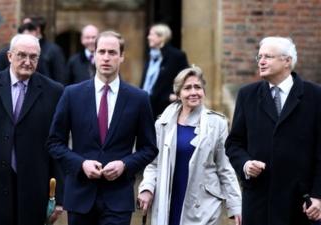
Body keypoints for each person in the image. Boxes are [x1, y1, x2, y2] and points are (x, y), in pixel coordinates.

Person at [47, 31, 158, 225]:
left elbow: (149, 148)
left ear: (121, 56)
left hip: (118, 198)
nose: (106, 57)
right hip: (80, 196)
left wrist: (125, 165)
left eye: (113, 52)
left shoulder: (138, 98)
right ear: (94, 54)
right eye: (102, 52)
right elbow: (55, 143)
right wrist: (81, 164)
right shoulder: (72, 94)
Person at [0, 34, 64, 225]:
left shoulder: (54, 91)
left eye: (33, 57)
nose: (27, 61)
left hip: (34, 190)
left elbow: (58, 145)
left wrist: (56, 197)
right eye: (21, 55)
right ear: (9, 56)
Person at [225, 36, 321, 225]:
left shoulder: (315, 95)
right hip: (259, 202)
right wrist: (245, 164)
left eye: (268, 56)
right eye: (259, 56)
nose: (261, 61)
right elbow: (234, 143)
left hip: (302, 203)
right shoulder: (247, 95)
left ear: (287, 61)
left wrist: (319, 195)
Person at [137, 66, 242, 225]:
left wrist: (235, 205)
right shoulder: (162, 123)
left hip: (204, 205)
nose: (194, 92)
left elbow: (225, 167)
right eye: (187, 88)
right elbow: (154, 164)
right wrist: (147, 188)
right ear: (178, 94)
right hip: (169, 200)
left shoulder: (218, 123)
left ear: (204, 91)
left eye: (198, 87)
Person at [140, 23, 189, 119]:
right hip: (146, 105)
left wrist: (174, 95)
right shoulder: (151, 55)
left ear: (161, 37)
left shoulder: (176, 56)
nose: (148, 37)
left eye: (151, 34)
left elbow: (185, 77)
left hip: (163, 108)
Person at [23, 16, 66, 84]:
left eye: (28, 28)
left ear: (37, 29)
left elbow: (60, 79)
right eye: (23, 28)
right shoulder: (18, 48)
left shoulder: (53, 50)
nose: (24, 31)